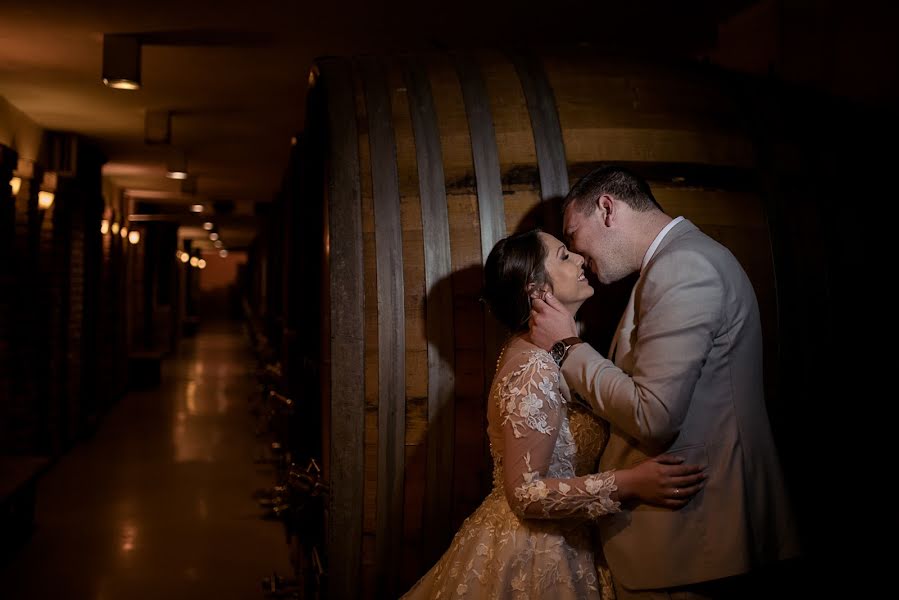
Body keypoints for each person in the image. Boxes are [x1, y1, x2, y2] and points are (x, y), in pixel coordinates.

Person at [530, 166, 800, 599]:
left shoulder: (683, 265)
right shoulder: (678, 260)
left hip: (697, 537)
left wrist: (566, 348)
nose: (579, 256)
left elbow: (654, 416)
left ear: (606, 209)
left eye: (573, 234)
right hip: (694, 537)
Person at [402, 229, 706, 599]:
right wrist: (631, 483)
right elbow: (526, 494)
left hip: (566, 540)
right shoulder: (535, 366)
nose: (579, 259)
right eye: (564, 255)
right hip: (534, 553)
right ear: (537, 291)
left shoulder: (543, 352)